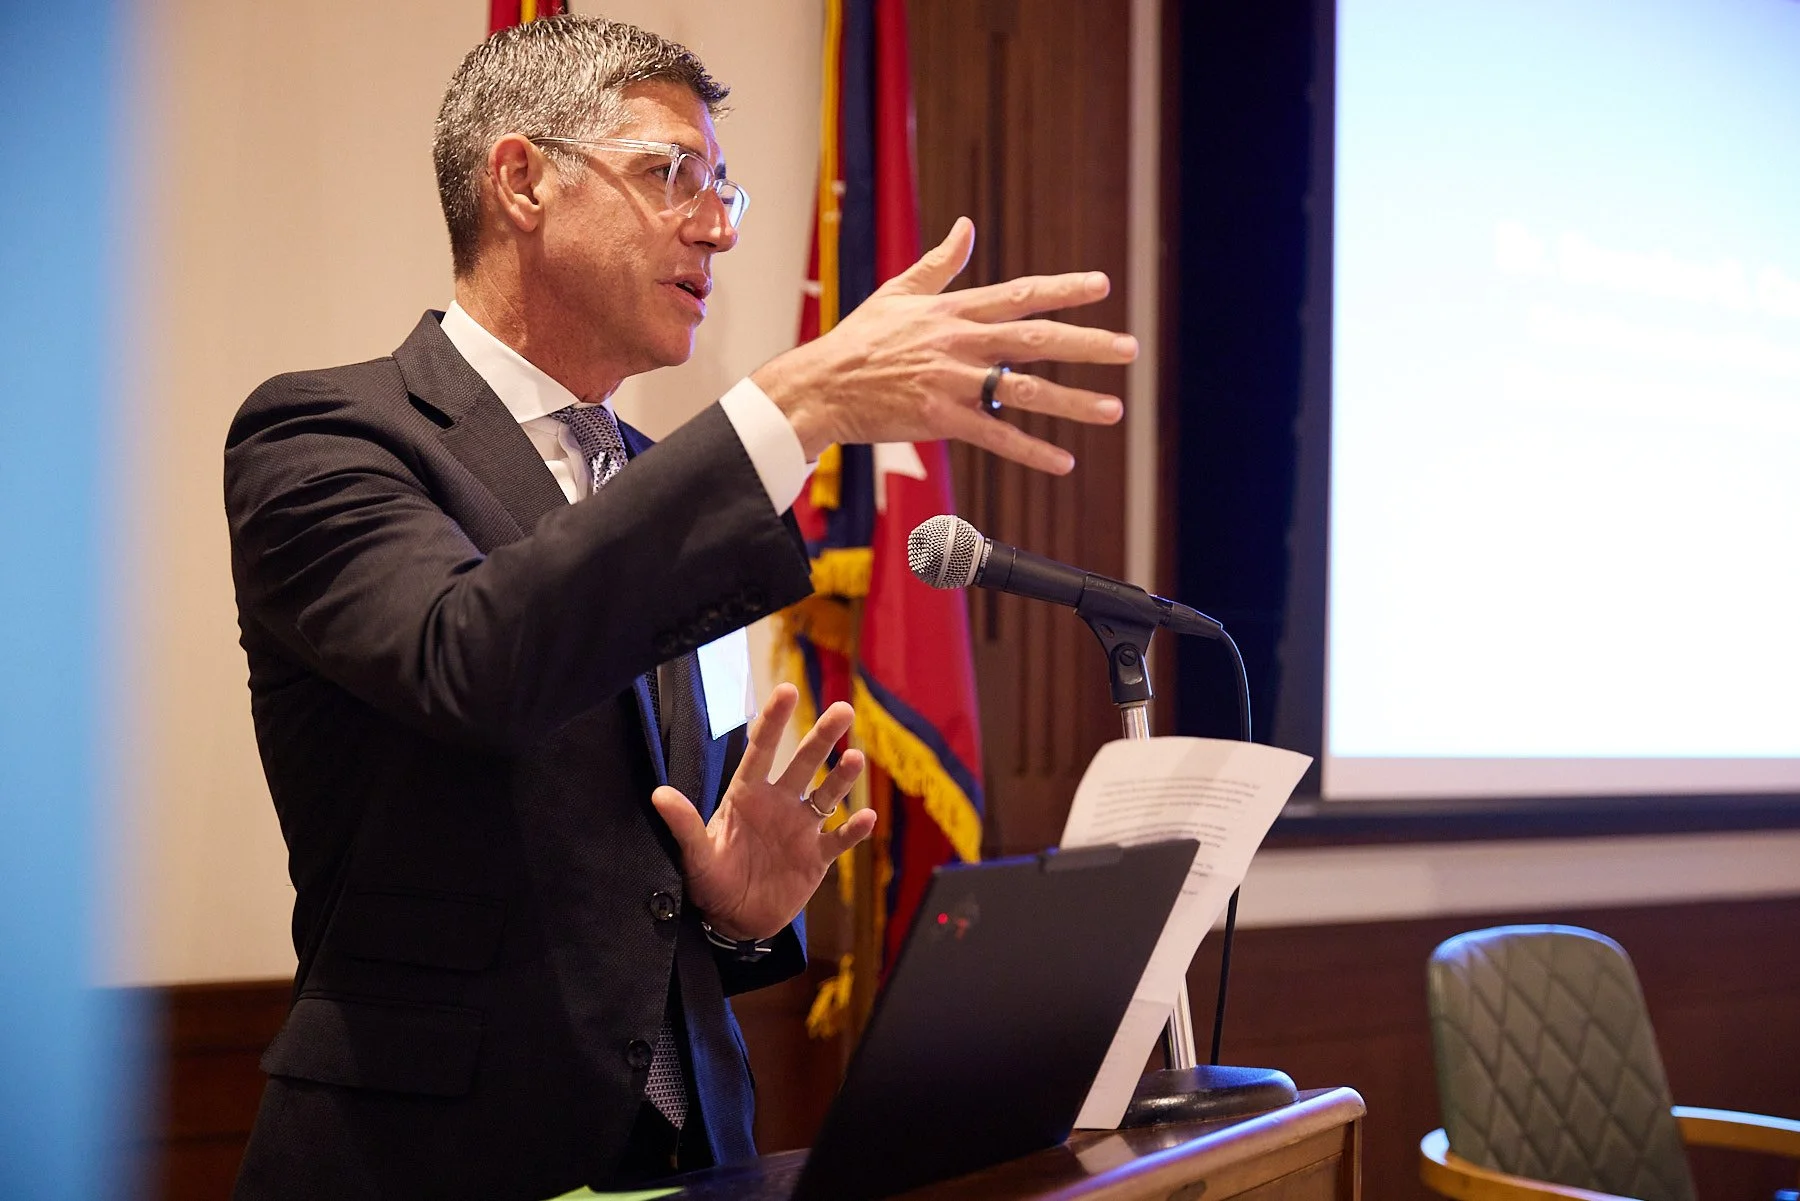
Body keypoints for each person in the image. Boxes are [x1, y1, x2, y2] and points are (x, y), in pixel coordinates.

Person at [223, 14, 1135, 1200]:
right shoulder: (326, 437)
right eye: (671, 176)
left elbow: (640, 849)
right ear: (522, 179)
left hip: (699, 1154)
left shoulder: (659, 482)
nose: (715, 225)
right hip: (428, 1157)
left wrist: (742, 912)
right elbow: (471, 660)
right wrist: (790, 405)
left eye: (725, 190)